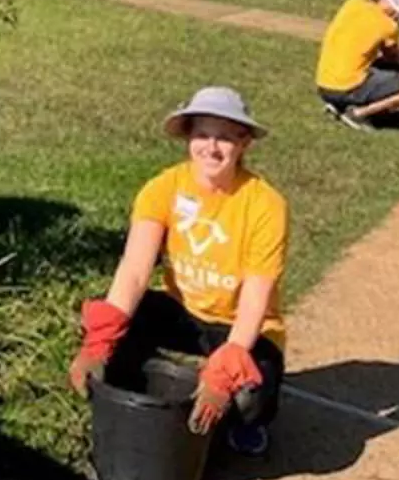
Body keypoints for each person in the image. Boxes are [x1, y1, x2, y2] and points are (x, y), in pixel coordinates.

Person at [68, 86, 289, 457]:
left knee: (250, 397)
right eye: (202, 135)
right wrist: (99, 339)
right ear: (188, 138)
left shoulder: (267, 205)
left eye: (225, 137)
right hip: (182, 310)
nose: (211, 148)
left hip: (241, 324)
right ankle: (130, 393)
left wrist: (230, 361)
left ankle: (242, 423)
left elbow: (256, 295)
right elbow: (136, 269)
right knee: (123, 324)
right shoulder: (163, 187)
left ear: (244, 142)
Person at [316, 0, 399, 130]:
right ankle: (358, 114)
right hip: (347, 87)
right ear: (395, 15)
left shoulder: (354, 3)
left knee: (370, 62)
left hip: (324, 84)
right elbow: (393, 57)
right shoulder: (388, 26)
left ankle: (339, 105)